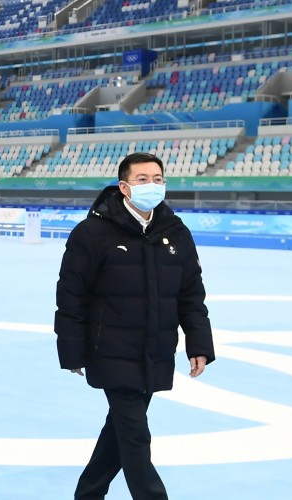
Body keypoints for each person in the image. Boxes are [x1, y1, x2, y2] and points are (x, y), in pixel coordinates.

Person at [55, 152, 215, 500]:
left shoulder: (176, 232)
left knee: (119, 432)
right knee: (136, 437)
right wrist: (72, 350)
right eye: (143, 179)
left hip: (155, 350)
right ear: (124, 188)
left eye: (158, 178)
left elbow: (191, 294)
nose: (152, 185)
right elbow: (71, 297)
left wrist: (198, 344)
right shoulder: (92, 233)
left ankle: (88, 494)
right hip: (110, 351)